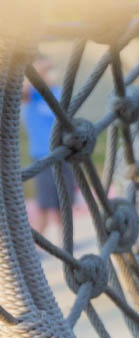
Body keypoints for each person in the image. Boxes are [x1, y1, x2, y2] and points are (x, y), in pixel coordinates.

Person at [21, 55, 77, 237]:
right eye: (45, 70)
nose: (49, 73)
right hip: (42, 156)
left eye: (50, 69)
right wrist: (36, 72)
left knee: (65, 201)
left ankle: (66, 239)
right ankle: (38, 242)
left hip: (62, 154)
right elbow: (22, 91)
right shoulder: (31, 96)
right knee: (44, 204)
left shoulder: (59, 93)